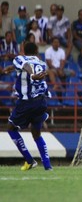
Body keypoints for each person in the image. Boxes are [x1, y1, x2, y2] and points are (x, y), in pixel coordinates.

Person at [4, 42, 52, 170]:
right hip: (41, 102)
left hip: (27, 102)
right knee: (36, 134)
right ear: (36, 50)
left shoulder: (20, 58)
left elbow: (25, 65)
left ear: (23, 50)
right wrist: (13, 68)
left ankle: (30, 160)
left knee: (10, 128)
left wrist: (31, 75)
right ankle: (48, 166)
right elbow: (27, 65)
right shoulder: (42, 63)